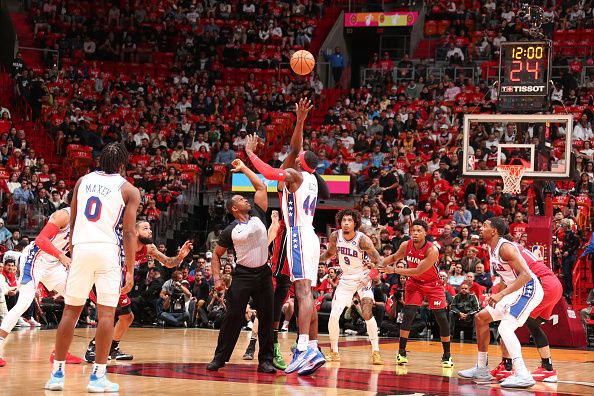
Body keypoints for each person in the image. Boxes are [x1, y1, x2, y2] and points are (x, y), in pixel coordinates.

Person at [45, 142, 140, 392]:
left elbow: (74, 220)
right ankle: (97, 377)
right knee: (107, 314)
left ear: (99, 162)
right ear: (122, 165)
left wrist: (75, 252)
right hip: (107, 250)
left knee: (70, 312)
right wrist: (129, 269)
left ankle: (57, 374)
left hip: (81, 247)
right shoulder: (129, 189)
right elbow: (129, 232)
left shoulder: (82, 181)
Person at [244, 98, 328, 376]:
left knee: (302, 292)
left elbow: (268, 173)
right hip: (311, 235)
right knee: (309, 293)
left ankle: (303, 347)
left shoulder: (294, 175)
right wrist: (300, 120)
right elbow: (295, 148)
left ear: (300, 163)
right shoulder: (313, 178)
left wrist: (250, 154)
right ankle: (313, 346)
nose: (295, 153)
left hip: (297, 236)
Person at [84, 222, 192, 362]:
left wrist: (180, 257)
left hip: (118, 284)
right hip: (101, 280)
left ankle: (112, 349)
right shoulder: (120, 242)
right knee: (112, 314)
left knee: (127, 317)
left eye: (150, 228)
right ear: (134, 232)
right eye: (145, 228)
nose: (150, 231)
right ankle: (93, 348)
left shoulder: (148, 248)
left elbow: (168, 262)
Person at [206, 156, 276, 374]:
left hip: (263, 273)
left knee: (267, 317)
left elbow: (261, 185)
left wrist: (244, 167)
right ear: (234, 208)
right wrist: (217, 278)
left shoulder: (257, 214)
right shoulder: (230, 231)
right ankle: (220, 358)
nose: (247, 201)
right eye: (241, 200)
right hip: (243, 275)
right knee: (233, 317)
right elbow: (216, 255)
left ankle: (265, 360)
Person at [458, 217, 544, 389]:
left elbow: (526, 275)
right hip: (513, 291)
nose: (480, 228)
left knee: (505, 327)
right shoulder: (492, 248)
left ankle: (522, 374)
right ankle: (481, 368)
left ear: (494, 231)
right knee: (481, 318)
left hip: (528, 289)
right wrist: (498, 296)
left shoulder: (505, 248)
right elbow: (507, 277)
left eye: (484, 225)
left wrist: (501, 294)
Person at [0, 194, 82, 367]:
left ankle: (60, 352)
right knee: (23, 304)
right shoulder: (64, 215)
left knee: (76, 300)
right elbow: (41, 239)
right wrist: (62, 257)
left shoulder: (86, 222)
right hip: (35, 258)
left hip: (53, 264)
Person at [490, 235, 563, 383]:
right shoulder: (518, 248)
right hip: (554, 284)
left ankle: (507, 365)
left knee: (508, 319)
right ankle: (547, 368)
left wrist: (499, 296)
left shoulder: (506, 252)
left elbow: (515, 280)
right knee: (532, 324)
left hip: (543, 285)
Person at [382, 219, 453, 368]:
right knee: (409, 313)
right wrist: (380, 264)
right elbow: (394, 257)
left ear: (426, 233)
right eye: (413, 230)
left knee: (441, 317)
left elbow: (418, 270)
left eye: (419, 230)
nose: (415, 233)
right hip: (414, 283)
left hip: (433, 284)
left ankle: (447, 355)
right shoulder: (405, 245)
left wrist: (394, 270)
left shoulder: (431, 249)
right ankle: (401, 352)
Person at [320, 209, 384, 365]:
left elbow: (379, 262)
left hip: (363, 277)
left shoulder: (363, 240)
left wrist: (370, 275)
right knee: (334, 315)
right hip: (346, 278)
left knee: (367, 313)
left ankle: (376, 351)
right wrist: (315, 260)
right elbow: (329, 253)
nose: (346, 223)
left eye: (349, 220)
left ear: (355, 223)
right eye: (343, 220)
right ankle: (334, 352)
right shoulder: (336, 236)